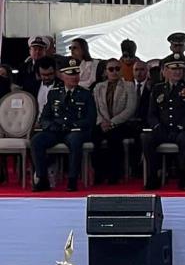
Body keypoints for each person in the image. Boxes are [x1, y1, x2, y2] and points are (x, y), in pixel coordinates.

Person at [31, 58, 97, 192]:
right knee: (36, 141)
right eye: (70, 74)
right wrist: (50, 126)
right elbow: (45, 117)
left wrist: (71, 124)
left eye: (76, 74)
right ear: (62, 76)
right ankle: (42, 178)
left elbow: (90, 119)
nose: (74, 77)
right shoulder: (54, 93)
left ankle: (72, 180)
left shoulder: (86, 94)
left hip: (75, 130)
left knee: (75, 140)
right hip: (56, 130)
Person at [142, 53, 185, 190]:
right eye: (173, 69)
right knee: (146, 138)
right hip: (162, 129)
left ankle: (183, 177)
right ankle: (153, 175)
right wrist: (156, 126)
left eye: (180, 69)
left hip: (181, 129)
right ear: (165, 71)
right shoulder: (158, 89)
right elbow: (151, 114)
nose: (177, 72)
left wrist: (182, 126)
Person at [91, 58, 138, 185]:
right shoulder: (98, 87)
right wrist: (102, 122)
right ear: (106, 72)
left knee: (114, 137)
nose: (114, 72)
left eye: (117, 69)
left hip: (122, 123)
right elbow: (96, 108)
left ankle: (114, 174)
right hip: (103, 122)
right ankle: (99, 173)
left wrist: (112, 122)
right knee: (94, 136)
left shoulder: (129, 86)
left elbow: (130, 109)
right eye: (111, 69)